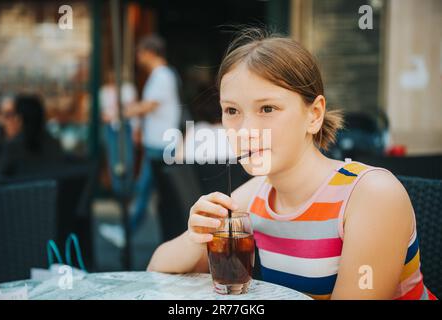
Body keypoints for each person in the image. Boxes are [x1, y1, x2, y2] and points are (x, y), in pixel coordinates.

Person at [147, 28, 437, 300]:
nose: (246, 129)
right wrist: (196, 237)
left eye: (267, 108)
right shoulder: (256, 195)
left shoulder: (371, 196)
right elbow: (156, 273)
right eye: (232, 110)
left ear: (314, 114)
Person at [100, 35, 181, 247]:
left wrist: (119, 112)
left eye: (139, 52)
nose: (137, 57)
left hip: (160, 144)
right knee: (148, 192)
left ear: (148, 52)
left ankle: (126, 233)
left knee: (145, 191)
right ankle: (128, 233)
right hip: (159, 143)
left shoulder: (162, 75)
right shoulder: (162, 75)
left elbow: (149, 105)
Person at [0, 94, 63, 177]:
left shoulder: (13, 148)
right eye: (7, 115)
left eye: (15, 114)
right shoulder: (53, 144)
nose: (12, 120)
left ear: (20, 119)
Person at [99, 70, 138, 196]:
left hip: (126, 127)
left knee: (128, 160)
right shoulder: (103, 92)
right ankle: (118, 191)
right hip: (111, 128)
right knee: (114, 160)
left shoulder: (128, 89)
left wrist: (136, 129)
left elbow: (134, 111)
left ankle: (127, 190)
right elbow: (102, 115)